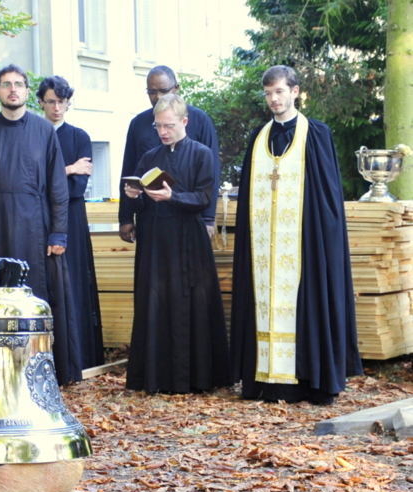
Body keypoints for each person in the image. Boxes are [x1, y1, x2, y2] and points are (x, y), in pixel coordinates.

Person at [230, 65, 363, 404]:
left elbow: (327, 198)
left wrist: (318, 242)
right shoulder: (259, 138)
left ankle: (311, 381)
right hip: (263, 248)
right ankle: (265, 382)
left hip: (303, 244)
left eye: (279, 91)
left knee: (306, 300)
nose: (274, 99)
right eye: (268, 93)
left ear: (295, 91)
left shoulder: (316, 134)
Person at [0, 64, 83, 385]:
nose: (12, 89)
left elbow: (58, 186)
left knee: (38, 296)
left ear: (28, 92)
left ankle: (42, 368)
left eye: (18, 84)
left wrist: (58, 231)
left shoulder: (44, 132)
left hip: (36, 228)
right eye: (5, 84)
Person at [124, 94, 230, 393]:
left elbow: (203, 197)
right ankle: (154, 377)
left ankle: (194, 378)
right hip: (155, 241)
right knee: (154, 303)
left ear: (184, 121)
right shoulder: (149, 157)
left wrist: (173, 197)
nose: (162, 132)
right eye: (158, 126)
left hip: (188, 239)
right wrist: (136, 198)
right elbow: (142, 204)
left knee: (190, 304)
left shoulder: (201, 154)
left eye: (168, 125)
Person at [36, 75, 104, 370]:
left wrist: (57, 176)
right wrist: (67, 168)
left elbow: (77, 188)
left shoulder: (79, 137)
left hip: (72, 220)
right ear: (40, 102)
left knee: (73, 283)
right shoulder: (33, 133)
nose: (56, 108)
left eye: (62, 102)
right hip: (38, 218)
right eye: (51, 101)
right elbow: (29, 182)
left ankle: (76, 357)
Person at [118, 65, 221, 244]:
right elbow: (129, 170)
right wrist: (125, 218)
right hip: (151, 218)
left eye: (163, 91)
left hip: (189, 218)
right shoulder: (138, 123)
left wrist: (208, 218)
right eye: (152, 92)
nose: (158, 97)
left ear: (176, 88)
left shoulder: (200, 120)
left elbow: (211, 175)